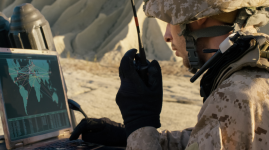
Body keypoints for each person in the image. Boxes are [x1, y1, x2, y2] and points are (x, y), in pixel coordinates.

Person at [71, 0, 269, 149]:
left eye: (170, 21)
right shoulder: (251, 75)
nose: (167, 35)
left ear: (197, 18)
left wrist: (140, 122)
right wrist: (128, 134)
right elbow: (204, 140)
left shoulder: (238, 95)